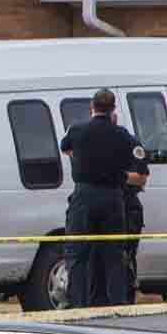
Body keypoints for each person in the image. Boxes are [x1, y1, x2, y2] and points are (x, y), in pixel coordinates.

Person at [59, 89, 140, 309]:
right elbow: (131, 159)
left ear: (91, 106)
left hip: (84, 196)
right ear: (113, 109)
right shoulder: (122, 135)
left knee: (77, 254)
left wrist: (81, 158)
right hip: (112, 197)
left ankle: (78, 305)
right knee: (114, 255)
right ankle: (116, 304)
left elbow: (65, 148)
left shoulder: (77, 130)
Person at [86, 117, 150, 307]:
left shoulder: (129, 142)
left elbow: (141, 177)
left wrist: (117, 176)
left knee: (123, 261)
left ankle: (124, 305)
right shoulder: (90, 142)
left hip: (126, 208)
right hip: (98, 210)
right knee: (95, 262)